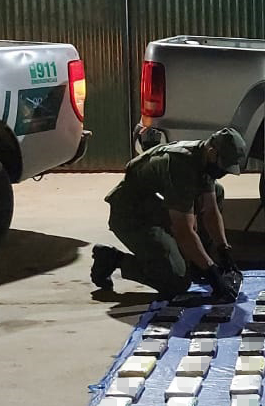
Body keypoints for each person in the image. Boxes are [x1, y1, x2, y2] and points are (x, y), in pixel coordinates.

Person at [91, 127, 248, 300]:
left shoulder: (203, 158)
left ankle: (195, 261)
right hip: (132, 216)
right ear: (212, 152)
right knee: (176, 281)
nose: (223, 172)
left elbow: (210, 210)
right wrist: (212, 272)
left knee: (217, 191)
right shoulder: (182, 167)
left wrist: (224, 250)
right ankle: (113, 259)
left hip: (156, 207)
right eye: (223, 166)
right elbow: (184, 231)